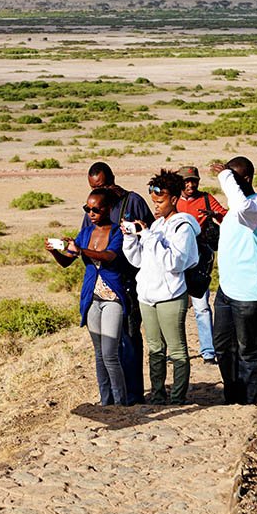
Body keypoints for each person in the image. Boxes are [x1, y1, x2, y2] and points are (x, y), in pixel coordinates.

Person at [121, 169, 200, 405]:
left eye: (160, 201)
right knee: (155, 349)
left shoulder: (183, 227)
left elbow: (174, 263)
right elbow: (138, 261)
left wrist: (147, 236)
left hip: (170, 295)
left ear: (174, 199)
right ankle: (157, 396)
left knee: (176, 350)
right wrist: (130, 238)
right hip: (147, 295)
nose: (155, 206)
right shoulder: (155, 226)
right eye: (154, 201)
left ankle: (177, 398)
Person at [48, 188, 128, 406]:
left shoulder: (116, 232)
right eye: (87, 209)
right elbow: (67, 262)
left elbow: (109, 256)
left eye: (96, 209)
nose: (91, 213)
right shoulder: (85, 233)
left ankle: (121, 402)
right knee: (99, 354)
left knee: (110, 353)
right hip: (92, 298)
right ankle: (105, 401)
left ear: (108, 209)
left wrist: (81, 251)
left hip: (112, 298)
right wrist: (55, 251)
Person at [83, 162, 153, 404]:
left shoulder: (132, 202)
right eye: (94, 187)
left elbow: (151, 236)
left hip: (129, 283)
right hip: (102, 287)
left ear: (113, 179)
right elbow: (86, 241)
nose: (100, 190)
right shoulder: (93, 207)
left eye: (102, 185)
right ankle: (111, 398)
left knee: (130, 338)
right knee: (106, 346)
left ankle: (133, 395)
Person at [209, 156, 257, 405]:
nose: (230, 183)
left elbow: (240, 207)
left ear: (246, 179)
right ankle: (233, 396)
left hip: (250, 291)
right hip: (227, 289)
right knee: (223, 346)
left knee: (249, 350)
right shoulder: (239, 209)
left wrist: (225, 175)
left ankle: (250, 401)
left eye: (234, 178)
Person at [175, 165, 228, 365]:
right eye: (186, 181)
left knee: (201, 306)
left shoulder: (206, 199)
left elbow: (226, 215)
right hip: (177, 258)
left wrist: (214, 215)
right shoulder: (172, 200)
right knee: (176, 307)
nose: (190, 185)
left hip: (200, 258)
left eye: (194, 181)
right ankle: (177, 351)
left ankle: (208, 352)